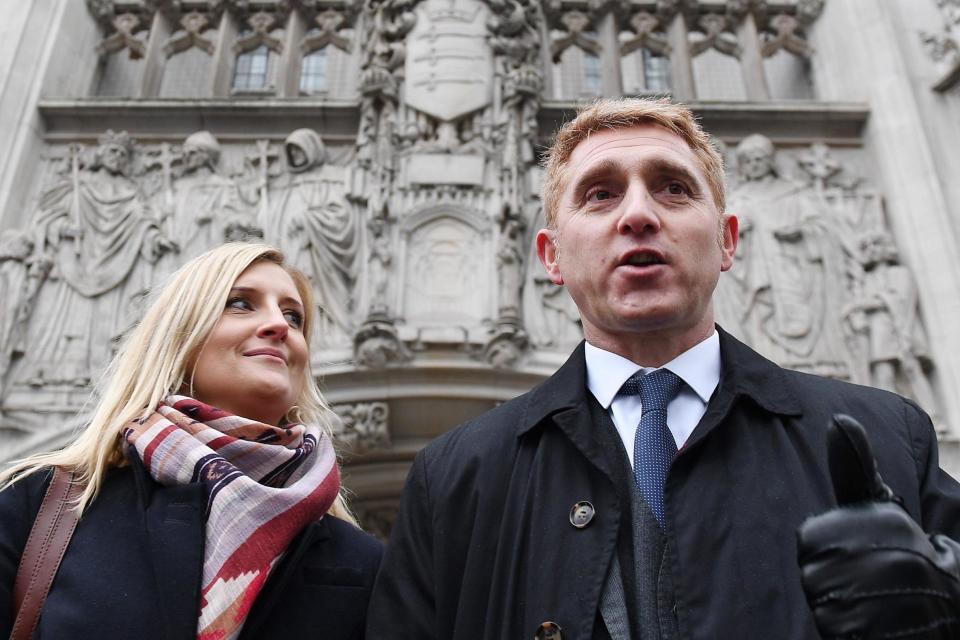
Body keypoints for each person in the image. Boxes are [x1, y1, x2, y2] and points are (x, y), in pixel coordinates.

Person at [366, 98, 960, 639]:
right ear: (551, 257)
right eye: (599, 193)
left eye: (673, 188)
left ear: (728, 242)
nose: (638, 215)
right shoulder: (454, 478)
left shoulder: (887, 439)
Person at [0, 243, 382, 639]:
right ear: (179, 337)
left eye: (293, 316)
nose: (279, 325)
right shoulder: (41, 507)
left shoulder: (360, 563)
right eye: (240, 304)